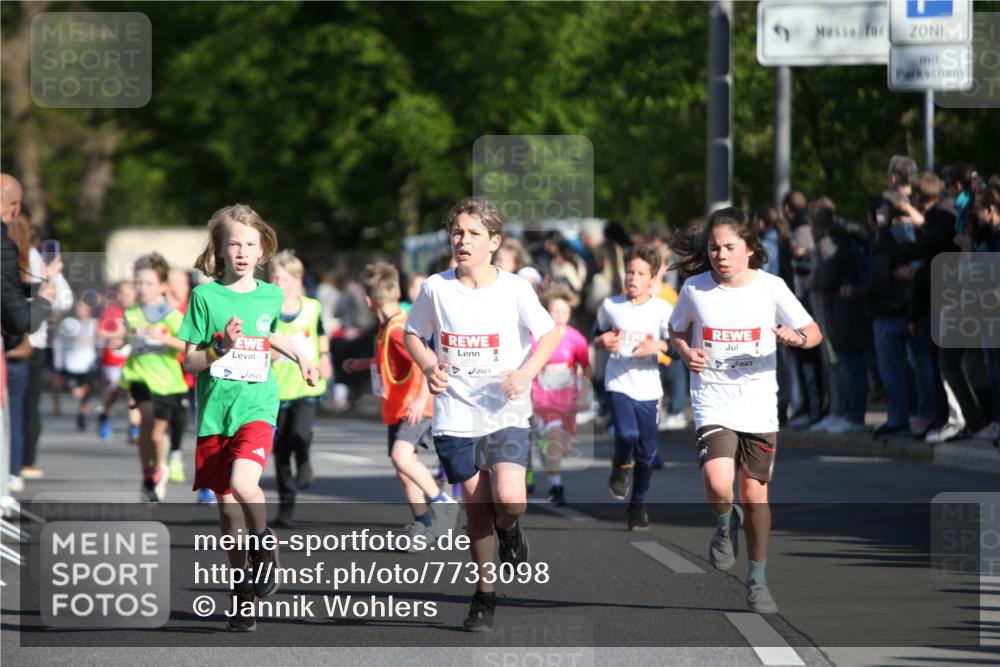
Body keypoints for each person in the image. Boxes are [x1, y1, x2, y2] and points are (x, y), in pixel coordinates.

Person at [404, 196, 560, 633]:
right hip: (455, 415)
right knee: (476, 508)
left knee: (510, 499)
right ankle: (484, 595)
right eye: (457, 232)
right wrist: (430, 366)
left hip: (505, 410)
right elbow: (412, 334)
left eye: (473, 233)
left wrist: (526, 372)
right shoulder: (436, 288)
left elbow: (547, 335)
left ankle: (510, 529)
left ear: (494, 241)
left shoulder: (514, 288)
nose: (462, 240)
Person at [668, 207, 822, 615]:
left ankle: (756, 579)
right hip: (712, 399)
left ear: (750, 249)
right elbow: (676, 329)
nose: (720, 255)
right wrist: (685, 351)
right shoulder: (694, 289)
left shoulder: (771, 288)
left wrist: (797, 337)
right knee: (719, 483)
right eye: (714, 248)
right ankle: (723, 521)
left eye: (729, 247)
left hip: (757, 405)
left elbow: (814, 332)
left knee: (754, 495)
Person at [178, 204, 318, 632]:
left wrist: (300, 356)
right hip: (216, 415)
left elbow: (269, 331)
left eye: (250, 244)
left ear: (263, 251)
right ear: (219, 249)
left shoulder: (270, 294)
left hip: (257, 407)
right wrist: (220, 346)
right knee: (227, 512)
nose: (242, 251)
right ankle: (241, 594)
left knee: (244, 485)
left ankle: (264, 546)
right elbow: (189, 362)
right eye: (233, 243)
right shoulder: (204, 296)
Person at [344, 261, 459, 543]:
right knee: (404, 470)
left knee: (401, 457)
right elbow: (390, 363)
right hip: (396, 408)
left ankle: (442, 502)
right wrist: (363, 363)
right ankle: (424, 522)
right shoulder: (388, 327)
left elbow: (425, 364)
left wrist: (422, 399)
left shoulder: (398, 330)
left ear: (369, 302)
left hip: (415, 408)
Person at [594, 245, 673, 530]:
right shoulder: (611, 305)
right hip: (619, 382)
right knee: (627, 434)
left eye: (640, 273)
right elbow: (599, 333)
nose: (632, 278)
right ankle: (619, 466)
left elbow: (676, 347)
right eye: (629, 271)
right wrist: (601, 342)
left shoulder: (663, 309)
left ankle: (638, 504)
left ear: (652, 279)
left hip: (649, 388)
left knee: (648, 454)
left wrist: (659, 345)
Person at [1, 173, 57, 492]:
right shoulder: (3, 243)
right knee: (17, 413)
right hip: (19, 347)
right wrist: (44, 300)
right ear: (15, 207)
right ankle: (13, 474)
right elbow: (19, 318)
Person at [269, 251, 333, 526]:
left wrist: (326, 358)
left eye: (283, 278)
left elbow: (321, 334)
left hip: (307, 385)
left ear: (296, 280)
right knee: (281, 451)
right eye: (273, 277)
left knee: (299, 434)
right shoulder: (267, 311)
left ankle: (305, 457)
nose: (277, 282)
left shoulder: (311, 307)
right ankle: (286, 508)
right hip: (276, 389)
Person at [123, 253, 189, 503]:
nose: (142, 288)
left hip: (167, 383)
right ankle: (147, 473)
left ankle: (159, 466)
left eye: (148, 283)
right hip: (139, 378)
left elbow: (187, 345)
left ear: (162, 286)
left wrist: (163, 338)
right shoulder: (131, 313)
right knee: (144, 428)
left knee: (154, 435)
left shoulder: (170, 314)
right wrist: (116, 339)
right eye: (138, 283)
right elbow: (128, 343)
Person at [530, 283, 592, 505]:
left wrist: (584, 394)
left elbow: (585, 366)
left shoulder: (576, 339)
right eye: (555, 312)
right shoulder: (537, 337)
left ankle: (547, 450)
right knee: (554, 439)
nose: (559, 316)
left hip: (568, 402)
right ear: (546, 311)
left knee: (563, 447)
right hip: (543, 401)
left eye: (564, 312)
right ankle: (556, 486)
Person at [97, 281, 140, 443]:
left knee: (132, 392)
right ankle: (104, 416)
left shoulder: (138, 311)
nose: (126, 297)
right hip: (113, 359)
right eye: (123, 293)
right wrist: (113, 336)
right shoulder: (111, 311)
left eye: (130, 293)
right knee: (114, 394)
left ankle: (134, 428)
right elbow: (100, 332)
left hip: (132, 358)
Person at [53, 299, 100, 432]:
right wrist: (58, 363)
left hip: (89, 364)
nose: (81, 311)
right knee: (78, 393)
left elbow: (100, 342)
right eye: (79, 308)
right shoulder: (68, 324)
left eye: (84, 308)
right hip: (72, 364)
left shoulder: (94, 324)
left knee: (87, 392)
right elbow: (58, 342)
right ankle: (80, 413)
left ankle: (82, 416)